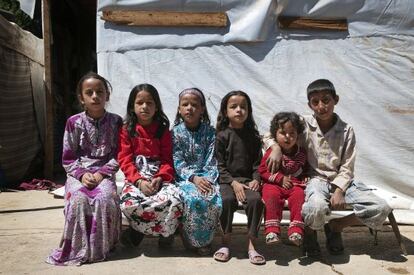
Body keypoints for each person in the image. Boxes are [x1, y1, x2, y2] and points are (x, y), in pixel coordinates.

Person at [265, 79, 391, 256]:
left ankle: (336, 227)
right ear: (309, 104)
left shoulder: (347, 130)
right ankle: (310, 232)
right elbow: (270, 133)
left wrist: (339, 189)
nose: (321, 106)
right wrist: (276, 148)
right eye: (315, 102)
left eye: (326, 100)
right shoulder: (303, 124)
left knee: (380, 208)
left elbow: (348, 165)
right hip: (315, 180)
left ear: (336, 100)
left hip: (342, 181)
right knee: (315, 206)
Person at [47, 72, 122, 265]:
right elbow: (68, 157)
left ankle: (101, 248)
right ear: (82, 98)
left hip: (104, 172)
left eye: (100, 91)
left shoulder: (116, 122)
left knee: (105, 198)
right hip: (79, 172)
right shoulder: (73, 122)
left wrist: (100, 174)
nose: (95, 96)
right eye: (89, 92)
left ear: (107, 96)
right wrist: (81, 175)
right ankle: (78, 248)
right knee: (78, 199)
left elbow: (119, 155)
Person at [118, 84, 182, 248]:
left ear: (157, 106)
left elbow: (168, 159)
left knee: (174, 200)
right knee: (129, 203)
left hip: (160, 176)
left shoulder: (162, 130)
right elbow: (125, 159)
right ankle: (141, 231)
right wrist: (139, 181)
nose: (145, 106)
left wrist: (160, 177)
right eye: (140, 102)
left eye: (150, 103)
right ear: (132, 106)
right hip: (137, 177)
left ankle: (163, 235)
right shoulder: (127, 130)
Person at [214, 91, 265, 265]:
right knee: (226, 200)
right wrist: (232, 182)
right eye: (233, 107)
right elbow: (219, 166)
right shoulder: (221, 136)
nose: (239, 110)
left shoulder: (254, 137)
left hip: (248, 181)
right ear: (225, 111)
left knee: (255, 201)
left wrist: (256, 179)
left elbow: (259, 164)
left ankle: (252, 245)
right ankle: (225, 243)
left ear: (249, 111)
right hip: (228, 181)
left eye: (243, 107)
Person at [172, 88, 222, 256]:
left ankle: (204, 241)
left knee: (211, 196)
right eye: (185, 104)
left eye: (194, 105)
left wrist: (206, 179)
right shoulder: (175, 133)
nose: (189, 108)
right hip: (184, 178)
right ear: (179, 109)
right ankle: (188, 237)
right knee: (192, 198)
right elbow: (177, 162)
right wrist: (193, 178)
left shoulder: (210, 132)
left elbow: (212, 159)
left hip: (207, 177)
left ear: (202, 109)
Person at [258, 112, 306, 247]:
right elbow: (262, 170)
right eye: (283, 133)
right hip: (273, 183)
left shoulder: (301, 153)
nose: (288, 137)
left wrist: (305, 176)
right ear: (274, 134)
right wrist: (279, 178)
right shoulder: (271, 152)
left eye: (292, 133)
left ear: (298, 135)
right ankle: (272, 231)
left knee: (299, 196)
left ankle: (296, 231)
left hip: (294, 184)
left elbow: (303, 168)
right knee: (270, 195)